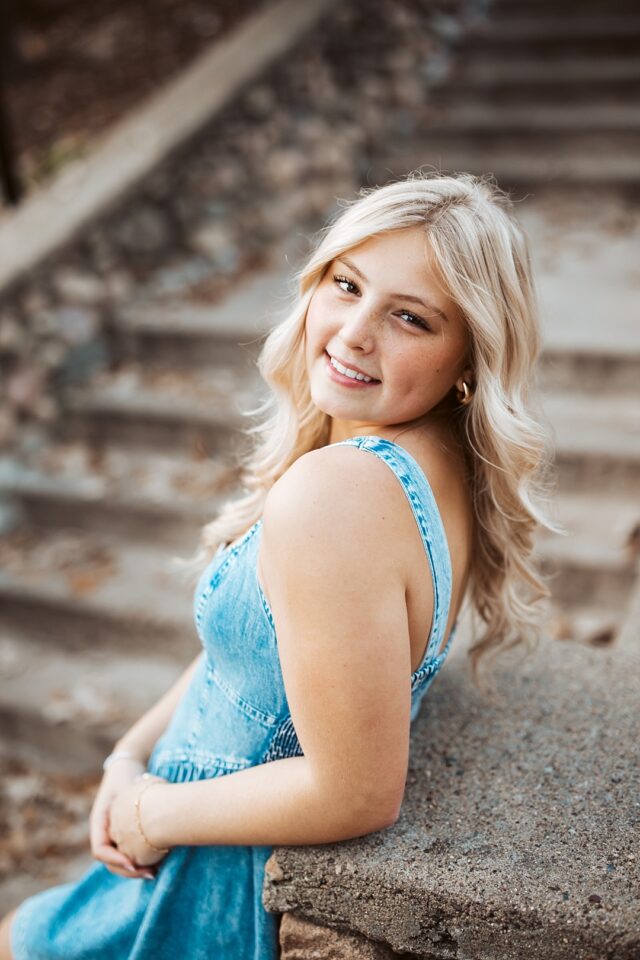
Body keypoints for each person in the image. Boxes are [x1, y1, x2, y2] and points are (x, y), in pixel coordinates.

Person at [0, 171, 557, 959]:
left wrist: (147, 814)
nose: (354, 332)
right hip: (195, 826)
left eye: (409, 317)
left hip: (215, 882)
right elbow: (251, 655)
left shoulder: (341, 495)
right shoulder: (435, 458)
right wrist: (127, 754)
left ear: (470, 356)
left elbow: (356, 790)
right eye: (346, 283)